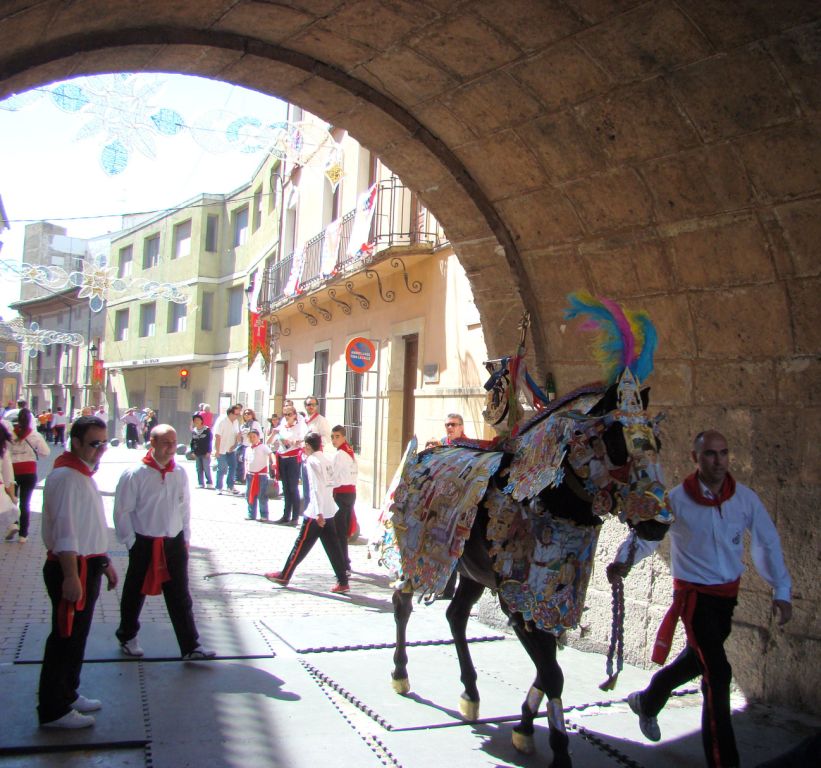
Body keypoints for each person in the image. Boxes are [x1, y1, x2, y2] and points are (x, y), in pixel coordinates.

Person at [607, 430, 792, 768]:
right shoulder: (677, 500)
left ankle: (648, 701)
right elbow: (649, 537)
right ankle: (724, 761)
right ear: (695, 458)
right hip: (694, 600)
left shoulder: (744, 499)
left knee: (698, 661)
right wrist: (624, 560)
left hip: (726, 598)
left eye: (723, 453)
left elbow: (765, 541)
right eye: (710, 454)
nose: (718, 461)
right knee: (718, 674)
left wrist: (781, 589)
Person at [37, 415, 118, 729]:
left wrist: (104, 561)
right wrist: (71, 575)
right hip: (72, 567)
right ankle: (53, 709)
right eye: (94, 444)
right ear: (76, 443)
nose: (100, 450)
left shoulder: (81, 473)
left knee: (76, 636)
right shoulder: (67, 477)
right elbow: (67, 532)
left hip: (88, 563)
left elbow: (88, 525)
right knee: (64, 637)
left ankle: (68, 693)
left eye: (104, 443)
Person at [113, 424, 215, 661]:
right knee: (135, 591)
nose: (171, 448)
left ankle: (190, 646)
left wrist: (185, 537)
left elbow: (184, 507)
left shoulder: (178, 472)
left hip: (173, 541)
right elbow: (122, 511)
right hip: (144, 541)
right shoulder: (135, 474)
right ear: (153, 443)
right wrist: (131, 542)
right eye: (166, 443)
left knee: (180, 593)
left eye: (174, 442)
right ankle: (127, 636)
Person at [265, 431, 350, 593]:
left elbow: (315, 487)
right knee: (333, 547)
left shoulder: (312, 461)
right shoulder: (326, 460)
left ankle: (285, 574)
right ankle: (343, 581)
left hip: (316, 512)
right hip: (329, 510)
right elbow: (333, 483)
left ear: (309, 446)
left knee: (301, 544)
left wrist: (318, 512)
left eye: (305, 446)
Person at [5, 408, 51, 543]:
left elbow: (4, 452)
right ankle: (23, 535)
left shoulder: (10, 435)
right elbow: (46, 453)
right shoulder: (35, 435)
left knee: (12, 500)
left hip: (13, 472)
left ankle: (13, 523)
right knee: (25, 503)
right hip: (29, 472)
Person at [331, 425, 357, 576]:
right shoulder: (349, 451)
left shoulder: (340, 454)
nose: (334, 440)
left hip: (341, 493)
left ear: (344, 437)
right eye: (333, 437)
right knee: (343, 530)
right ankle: (345, 561)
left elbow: (334, 477)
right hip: (350, 493)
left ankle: (343, 564)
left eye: (337, 436)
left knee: (339, 531)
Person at [273, 404, 305, 523]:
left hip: (293, 458)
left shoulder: (299, 426)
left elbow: (304, 438)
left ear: (294, 415)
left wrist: (295, 441)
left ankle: (295, 517)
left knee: (293, 488)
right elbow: (275, 439)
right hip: (282, 458)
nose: (287, 417)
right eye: (285, 414)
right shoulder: (282, 425)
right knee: (285, 488)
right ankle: (286, 515)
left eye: (289, 414)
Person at [301, 396, 331, 507]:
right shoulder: (303, 421)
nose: (311, 407)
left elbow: (327, 437)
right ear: (305, 406)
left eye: (313, 404)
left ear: (317, 406)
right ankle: (308, 513)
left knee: (315, 487)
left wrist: (314, 443)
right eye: (309, 404)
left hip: (315, 457)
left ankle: (316, 513)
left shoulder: (321, 420)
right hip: (304, 457)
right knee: (306, 488)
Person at [244, 429, 273, 522]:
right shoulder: (248, 449)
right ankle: (251, 514)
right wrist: (245, 471)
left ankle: (264, 515)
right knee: (249, 494)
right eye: (250, 437)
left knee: (262, 495)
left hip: (261, 475)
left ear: (258, 437)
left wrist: (274, 463)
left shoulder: (263, 447)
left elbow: (271, 454)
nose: (252, 439)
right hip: (250, 475)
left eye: (254, 436)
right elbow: (246, 461)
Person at [213, 405, 242, 496]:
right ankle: (219, 487)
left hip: (231, 449)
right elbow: (217, 436)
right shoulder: (222, 421)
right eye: (236, 414)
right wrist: (217, 451)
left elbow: (237, 434)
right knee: (221, 468)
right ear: (230, 413)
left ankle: (230, 486)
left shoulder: (236, 422)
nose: (237, 416)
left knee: (233, 466)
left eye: (238, 414)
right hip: (221, 449)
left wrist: (235, 445)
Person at [236, 408, 262, 485]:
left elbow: (260, 435)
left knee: (250, 463)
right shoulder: (242, 425)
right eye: (245, 414)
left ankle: (249, 478)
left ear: (252, 415)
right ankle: (240, 478)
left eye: (248, 413)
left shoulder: (255, 424)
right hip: (243, 445)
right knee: (241, 462)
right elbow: (240, 438)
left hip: (252, 446)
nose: (247, 415)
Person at [189, 412, 213, 489]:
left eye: (198, 420)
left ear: (201, 421)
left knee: (206, 467)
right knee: (198, 468)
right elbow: (192, 442)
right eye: (195, 420)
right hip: (197, 452)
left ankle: (209, 482)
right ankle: (200, 483)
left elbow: (210, 441)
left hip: (205, 452)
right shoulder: (194, 431)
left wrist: (209, 451)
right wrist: (192, 451)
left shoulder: (207, 430)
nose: (196, 421)